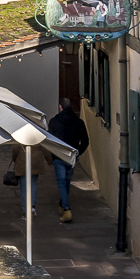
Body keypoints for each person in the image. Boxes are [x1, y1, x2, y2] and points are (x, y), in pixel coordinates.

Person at [47, 95, 90, 224]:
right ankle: (62, 204)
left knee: (61, 181)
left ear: (60, 107)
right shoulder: (79, 122)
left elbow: (50, 140)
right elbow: (85, 141)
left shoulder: (54, 122)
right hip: (71, 157)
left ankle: (66, 209)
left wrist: (52, 154)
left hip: (59, 156)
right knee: (66, 181)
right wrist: (77, 153)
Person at [13, 138, 45, 217]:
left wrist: (14, 158)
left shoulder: (19, 132)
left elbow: (15, 149)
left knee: (24, 188)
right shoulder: (37, 129)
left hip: (23, 161)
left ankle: (25, 211)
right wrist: (50, 160)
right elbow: (45, 145)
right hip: (36, 161)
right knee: (33, 184)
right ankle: (32, 207)